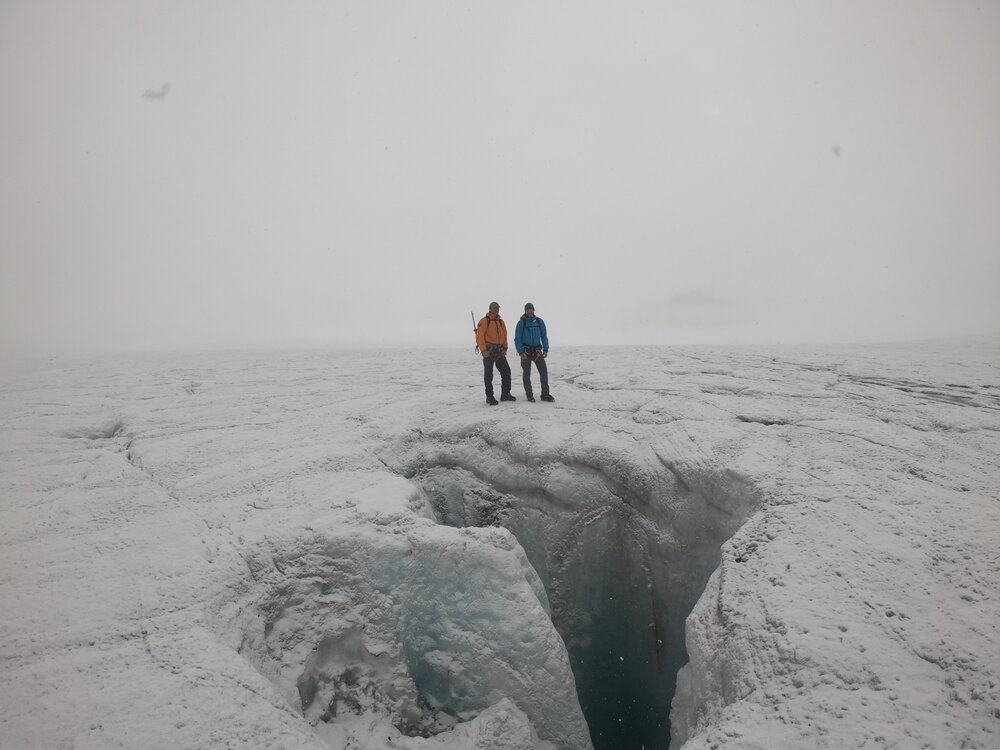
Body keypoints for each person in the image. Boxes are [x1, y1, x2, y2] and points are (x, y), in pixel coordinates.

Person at [476, 302, 515, 406]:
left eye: (498, 308)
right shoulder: (484, 321)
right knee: (488, 374)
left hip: (499, 351)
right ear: (490, 309)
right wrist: (484, 350)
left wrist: (505, 348)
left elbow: (505, 335)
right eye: (495, 308)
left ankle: (505, 394)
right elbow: (479, 337)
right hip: (489, 351)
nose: (497, 309)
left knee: (506, 371)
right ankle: (489, 396)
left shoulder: (501, 322)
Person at [515, 302, 554, 402]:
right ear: (525, 311)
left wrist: (546, 349)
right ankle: (529, 395)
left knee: (543, 372)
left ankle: (545, 394)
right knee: (526, 373)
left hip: (537, 351)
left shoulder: (539, 322)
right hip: (526, 351)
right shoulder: (521, 323)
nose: (529, 311)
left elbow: (544, 336)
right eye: (527, 309)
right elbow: (517, 338)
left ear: (534, 310)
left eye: (531, 309)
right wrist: (521, 352)